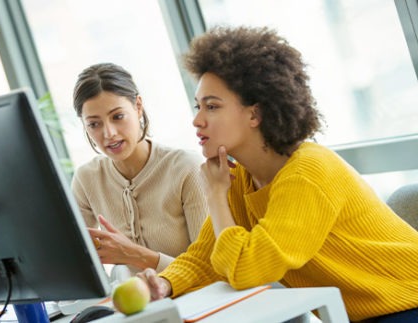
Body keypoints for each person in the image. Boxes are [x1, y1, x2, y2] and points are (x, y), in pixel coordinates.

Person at [137, 26, 418, 322]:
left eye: (212, 106)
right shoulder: (241, 179)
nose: (197, 120)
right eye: (198, 106)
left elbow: (246, 269)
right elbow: (206, 258)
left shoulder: (307, 173)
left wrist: (215, 195)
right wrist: (163, 284)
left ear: (255, 115)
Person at [71, 62, 208, 274]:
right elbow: (73, 259)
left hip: (199, 301)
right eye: (94, 124)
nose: (109, 133)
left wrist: (135, 255)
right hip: (136, 305)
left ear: (138, 106)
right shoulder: (86, 178)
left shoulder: (186, 168)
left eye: (117, 117)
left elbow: (209, 270)